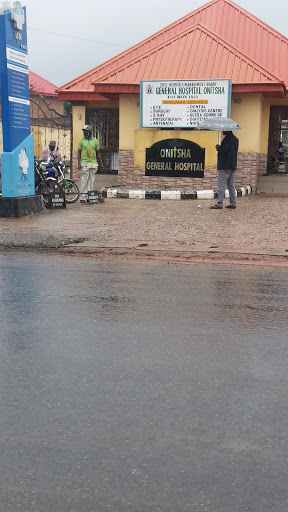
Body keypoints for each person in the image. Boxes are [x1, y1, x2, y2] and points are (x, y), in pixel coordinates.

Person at [209, 130, 239, 210]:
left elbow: (224, 150)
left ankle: (219, 203)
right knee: (231, 185)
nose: (222, 131)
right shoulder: (235, 139)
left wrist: (218, 147)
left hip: (224, 166)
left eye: (224, 130)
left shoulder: (227, 140)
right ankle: (233, 203)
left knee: (221, 185)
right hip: (232, 165)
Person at [78, 125, 103, 203]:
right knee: (84, 180)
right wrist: (79, 163)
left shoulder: (95, 141)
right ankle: (83, 197)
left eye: (85, 131)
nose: (84, 133)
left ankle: (90, 196)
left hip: (93, 163)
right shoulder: (81, 141)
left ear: (89, 132)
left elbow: (98, 153)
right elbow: (78, 152)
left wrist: (101, 164)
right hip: (84, 163)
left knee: (91, 180)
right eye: (83, 131)